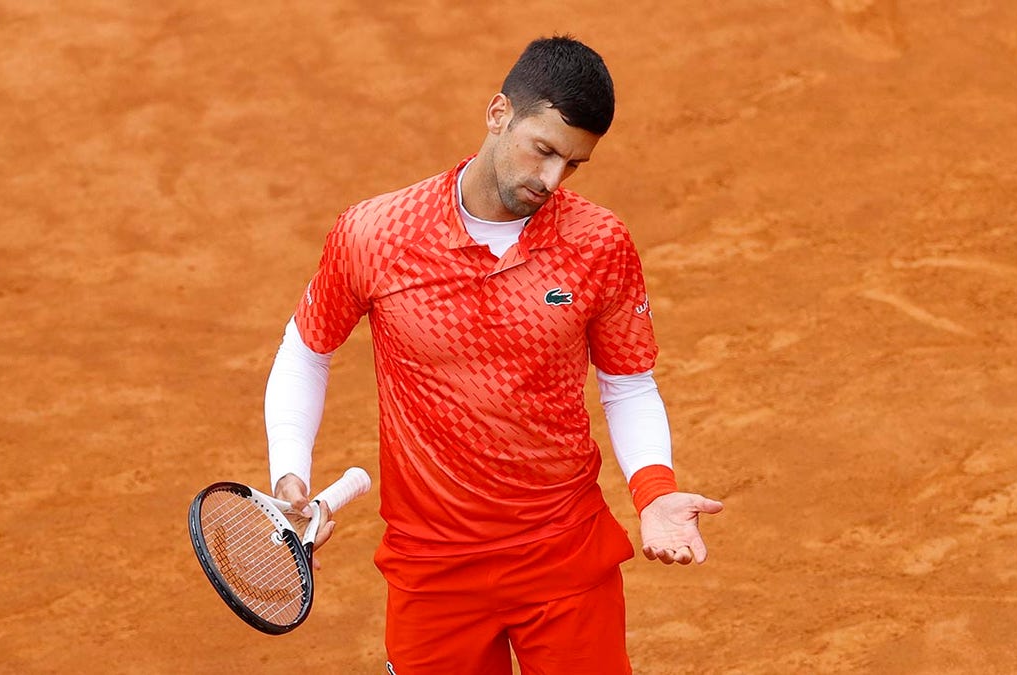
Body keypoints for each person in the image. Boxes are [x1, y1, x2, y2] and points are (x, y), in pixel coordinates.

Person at [264, 35, 724, 675]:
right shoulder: (376, 235)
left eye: (574, 164)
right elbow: (307, 350)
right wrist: (290, 469)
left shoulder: (598, 243)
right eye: (544, 151)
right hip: (433, 572)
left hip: (563, 558)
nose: (551, 181)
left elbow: (628, 382)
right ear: (499, 113)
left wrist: (654, 492)